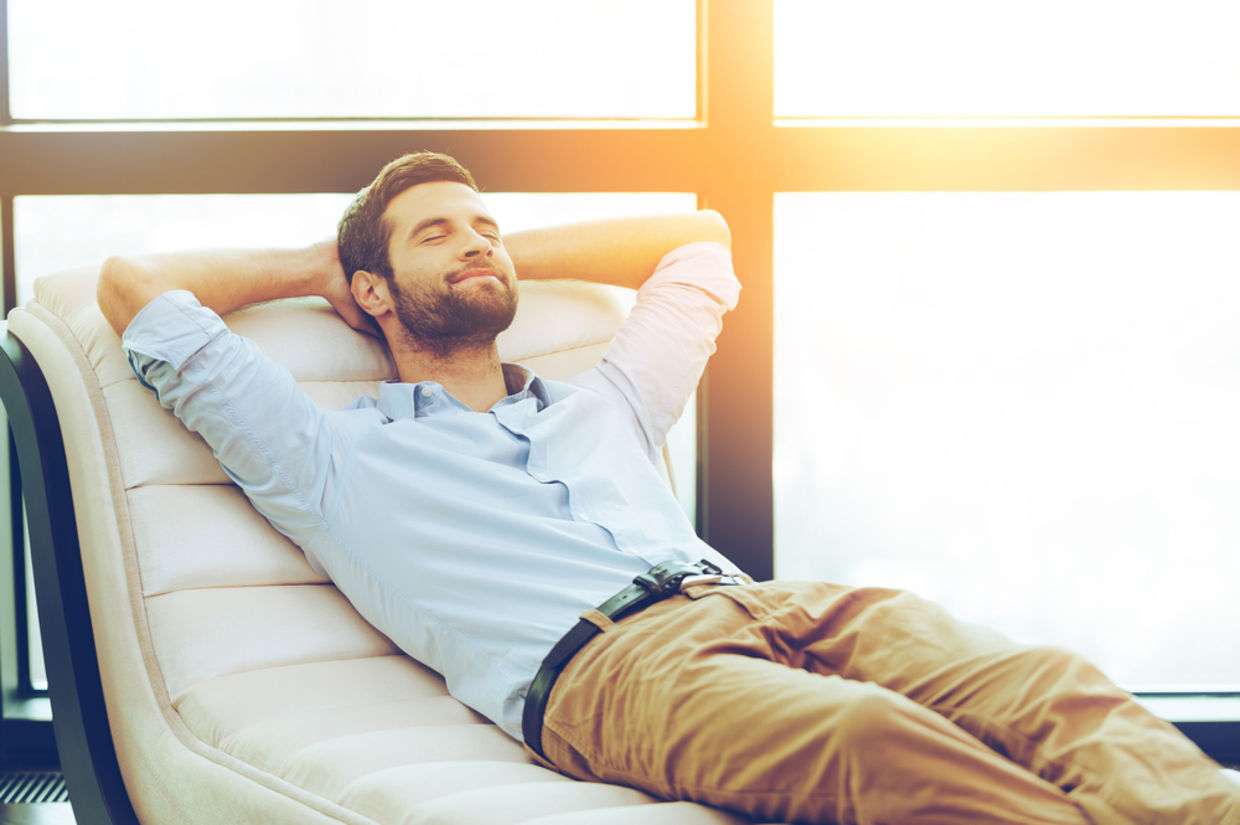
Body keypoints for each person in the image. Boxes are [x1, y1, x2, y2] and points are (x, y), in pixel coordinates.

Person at [96, 151, 1240, 825]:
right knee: (865, 741)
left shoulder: (604, 400)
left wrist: (496, 251)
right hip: (603, 672)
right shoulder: (329, 455)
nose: (476, 243)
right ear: (375, 293)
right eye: (435, 236)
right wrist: (321, 271)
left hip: (775, 602)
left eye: (483, 225)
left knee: (1047, 685)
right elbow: (133, 284)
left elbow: (696, 239)